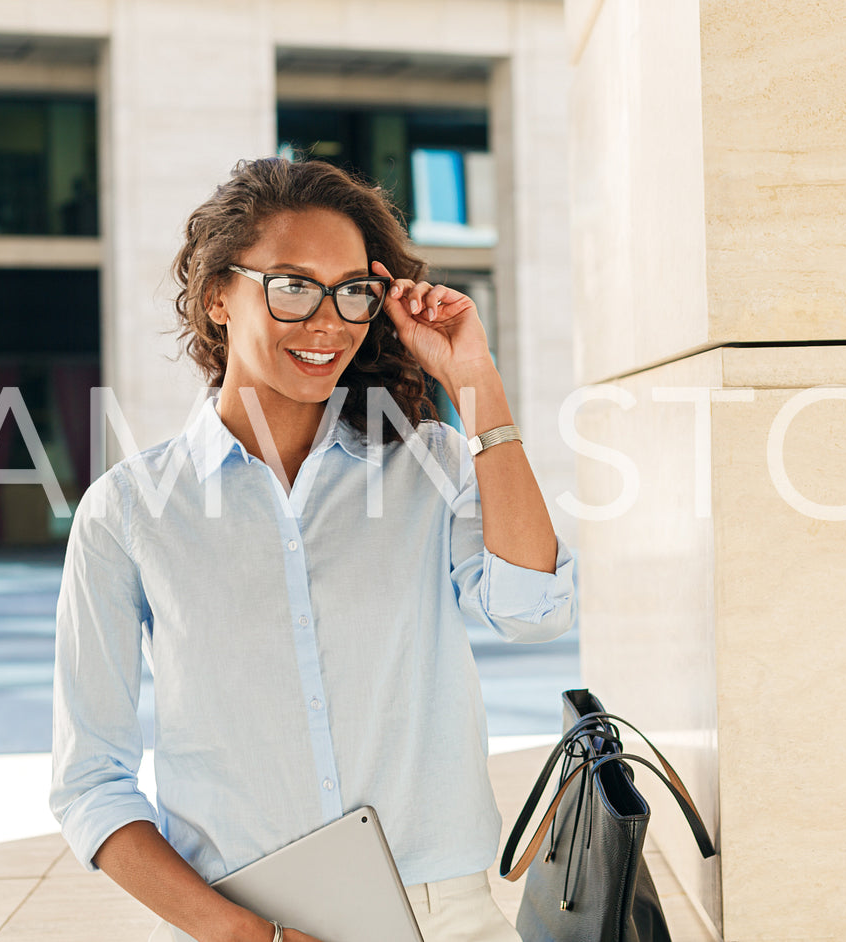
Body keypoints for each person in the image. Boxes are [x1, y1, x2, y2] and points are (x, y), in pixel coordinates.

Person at [49, 156, 576, 942]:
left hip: (439, 916)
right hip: (243, 917)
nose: (327, 321)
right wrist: (238, 934)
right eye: (292, 286)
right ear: (219, 296)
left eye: (352, 291)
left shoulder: (427, 463)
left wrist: (476, 385)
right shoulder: (128, 511)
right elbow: (89, 780)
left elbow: (536, 612)